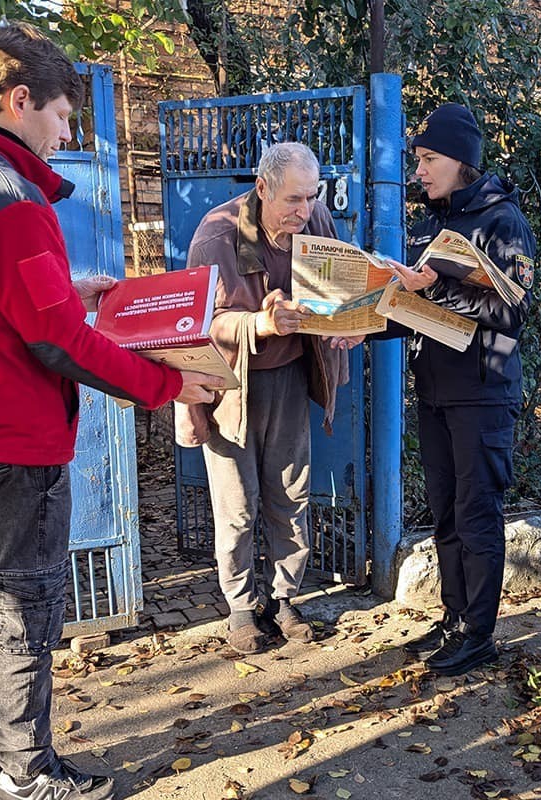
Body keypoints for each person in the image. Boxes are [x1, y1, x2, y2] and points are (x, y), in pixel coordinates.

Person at [0, 22, 220, 800]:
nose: (69, 133)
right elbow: (55, 342)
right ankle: (28, 773)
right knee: (28, 610)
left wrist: (68, 293)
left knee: (10, 594)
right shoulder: (10, 198)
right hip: (13, 440)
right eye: (65, 117)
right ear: (20, 99)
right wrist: (168, 386)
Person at [174, 142, 361, 655]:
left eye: (312, 196)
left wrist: (351, 324)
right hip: (229, 385)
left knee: (290, 493)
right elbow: (199, 324)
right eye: (293, 201)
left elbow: (342, 290)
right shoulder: (217, 234)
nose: (305, 211)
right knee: (237, 505)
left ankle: (285, 598)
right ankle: (240, 608)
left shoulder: (317, 217)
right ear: (261, 189)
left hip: (289, 379)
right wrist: (260, 322)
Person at [383, 103, 537, 677]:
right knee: (445, 511)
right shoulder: (431, 223)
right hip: (436, 391)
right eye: (418, 160)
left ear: (461, 161)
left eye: (428, 159)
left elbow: (510, 308)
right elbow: (419, 309)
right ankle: (453, 619)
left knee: (477, 513)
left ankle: (479, 633)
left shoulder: (503, 221)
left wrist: (437, 292)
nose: (419, 170)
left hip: (483, 391)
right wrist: (361, 328)